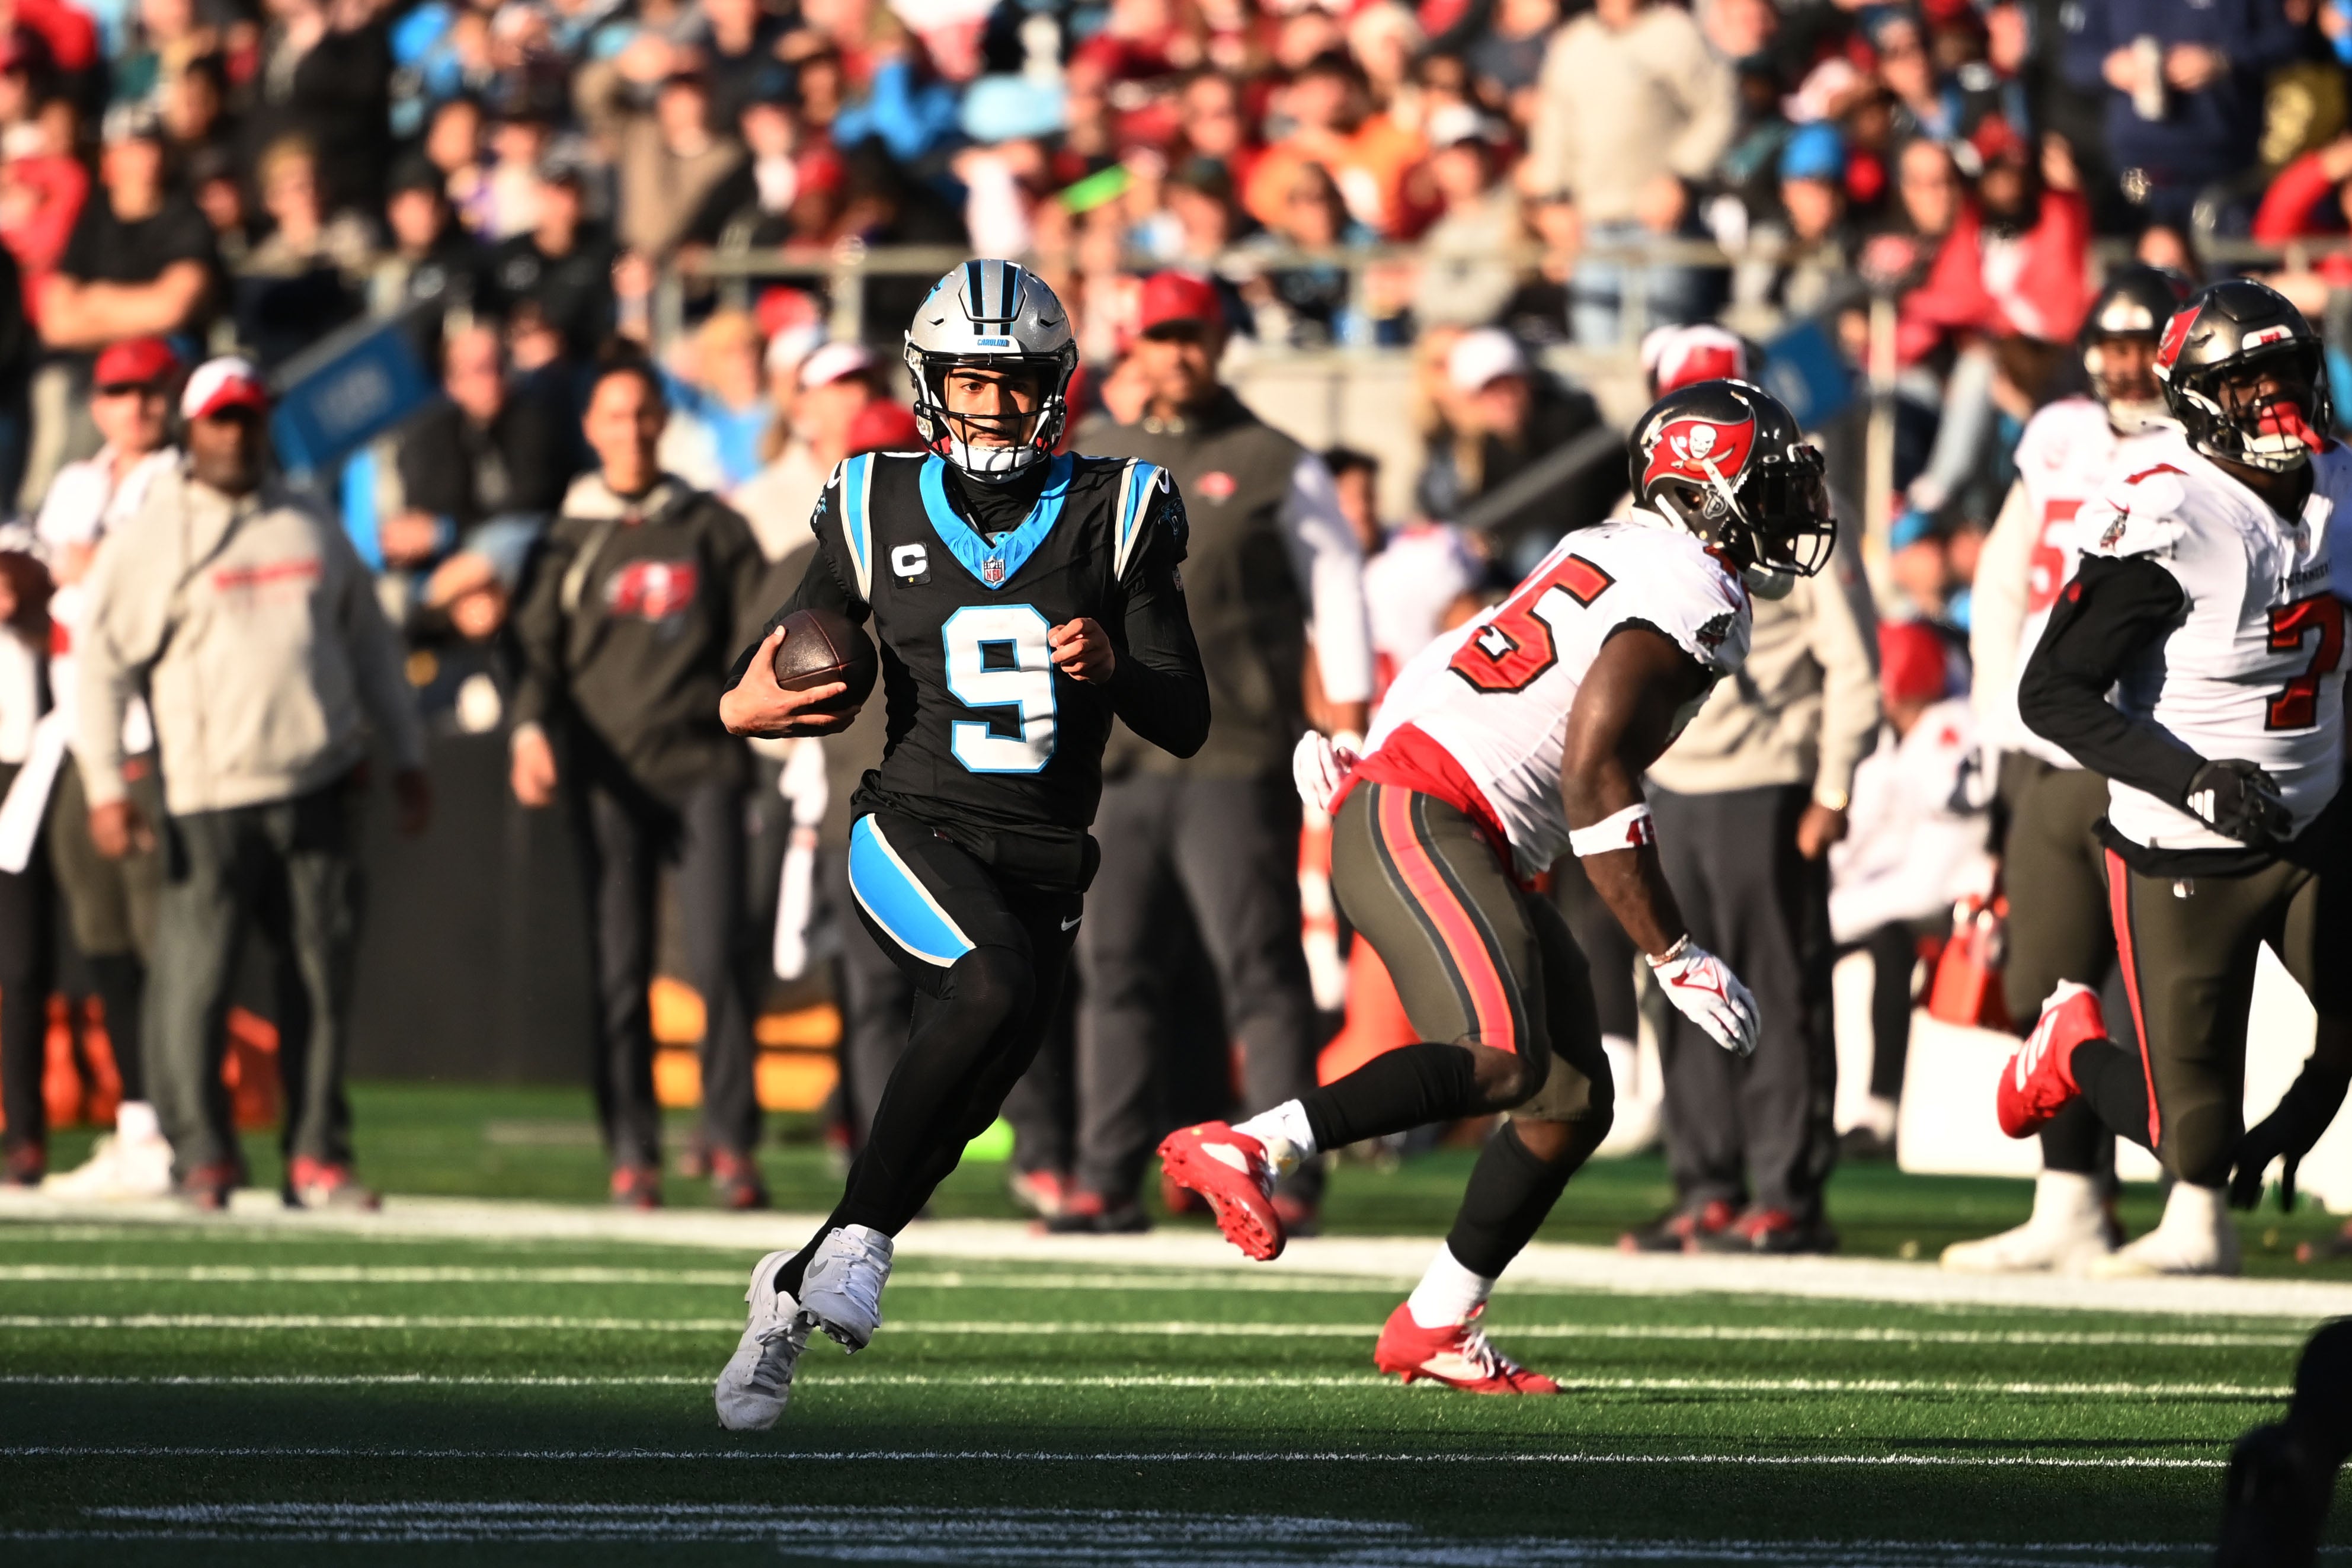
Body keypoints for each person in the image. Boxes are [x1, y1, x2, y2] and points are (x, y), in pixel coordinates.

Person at [1161, 380, 1835, 1391]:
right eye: (1764, 484)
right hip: (1430, 815)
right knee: (1501, 1058)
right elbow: (1594, 773)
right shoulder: (1692, 591)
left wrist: (1370, 741)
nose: (1788, 506)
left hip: (1435, 807)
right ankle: (1255, 1144)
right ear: (1700, 495)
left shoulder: (1606, 546)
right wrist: (1673, 951)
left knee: (1567, 1099)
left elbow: (1463, 650)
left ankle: (1435, 1321)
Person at [711, 260, 1208, 1431]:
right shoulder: (872, 496)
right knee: (988, 988)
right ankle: (856, 1251)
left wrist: (1114, 666)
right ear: (932, 386)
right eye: (971, 385)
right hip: (911, 822)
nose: (991, 409)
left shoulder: (1121, 506)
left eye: (1014, 385)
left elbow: (1183, 718)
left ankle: (791, 1289)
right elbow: (772, 655)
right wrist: (747, 706)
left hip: (1045, 850)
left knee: (961, 1105)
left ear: (1056, 390)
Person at [2001, 279, 2352, 1277]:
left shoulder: (2339, 486)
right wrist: (2191, 779)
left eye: (2284, 371)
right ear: (2199, 399)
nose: (2273, 396)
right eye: (2245, 382)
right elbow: (2052, 694)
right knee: (2190, 1143)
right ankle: (2065, 1044)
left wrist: (2316, 1095)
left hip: (2310, 823)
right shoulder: (2168, 514)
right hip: (2179, 847)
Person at [1058, 268, 1373, 1234]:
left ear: (1220, 341)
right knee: (1112, 969)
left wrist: (1350, 723)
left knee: (1259, 971)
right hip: (1115, 760)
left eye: (1192, 335)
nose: (1177, 353)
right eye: (1159, 336)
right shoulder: (1090, 456)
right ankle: (1105, 1174)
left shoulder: (1276, 460)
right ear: (1135, 347)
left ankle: (1284, 1169)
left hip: (1232, 753)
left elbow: (1338, 593)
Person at [75, 357, 429, 1210]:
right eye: (221, 419)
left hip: (318, 777)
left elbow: (373, 649)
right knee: (196, 978)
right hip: (205, 791)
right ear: (192, 430)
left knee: (320, 975)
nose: (237, 434)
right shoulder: (154, 533)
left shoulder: (308, 519)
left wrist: (408, 750)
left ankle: (317, 1152)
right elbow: (99, 667)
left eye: (250, 418)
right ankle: (202, 1149)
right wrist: (105, 788)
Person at [1942, 267, 2185, 1275]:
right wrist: (1999, 718)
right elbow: (2002, 583)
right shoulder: (2053, 438)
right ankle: (2067, 1195)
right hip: (2047, 747)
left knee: (2158, 986)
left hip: (2150, 749)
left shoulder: (2199, 449)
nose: (2126, 363)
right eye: (2114, 342)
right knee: (2051, 975)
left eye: (2144, 343)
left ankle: (2193, 1201)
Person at [507, 358, 775, 1211]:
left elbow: (754, 638)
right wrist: (526, 730)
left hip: (703, 769)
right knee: (618, 969)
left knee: (720, 959)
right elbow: (533, 652)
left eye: (644, 414)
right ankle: (632, 1148)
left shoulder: (709, 526)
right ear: (592, 427)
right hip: (605, 779)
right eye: (614, 415)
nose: (631, 430)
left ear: (664, 423)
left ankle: (730, 1141)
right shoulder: (567, 535)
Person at [1625, 384, 1879, 1255]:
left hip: (1767, 782)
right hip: (1667, 786)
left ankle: (1785, 1190)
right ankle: (1706, 1183)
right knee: (1683, 988)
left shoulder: (1789, 496)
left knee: (1776, 988)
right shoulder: (1630, 524)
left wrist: (1832, 786)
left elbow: (1854, 659)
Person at [33, 335, 178, 1198]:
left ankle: (177, 1120)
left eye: (150, 389)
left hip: (149, 735)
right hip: (77, 734)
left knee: (163, 940)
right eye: (122, 390)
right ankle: (137, 1121)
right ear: (98, 404)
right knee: (106, 944)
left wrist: (94, 569)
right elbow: (58, 586)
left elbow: (129, 582)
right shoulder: (77, 484)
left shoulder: (180, 484)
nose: (137, 405)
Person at [1825, 620, 1992, 1157]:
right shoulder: (1906, 736)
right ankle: (1850, 1107)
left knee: (1820, 931)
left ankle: (1867, 1110)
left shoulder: (1947, 728)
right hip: (1917, 883)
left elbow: (1939, 832)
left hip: (1948, 889)